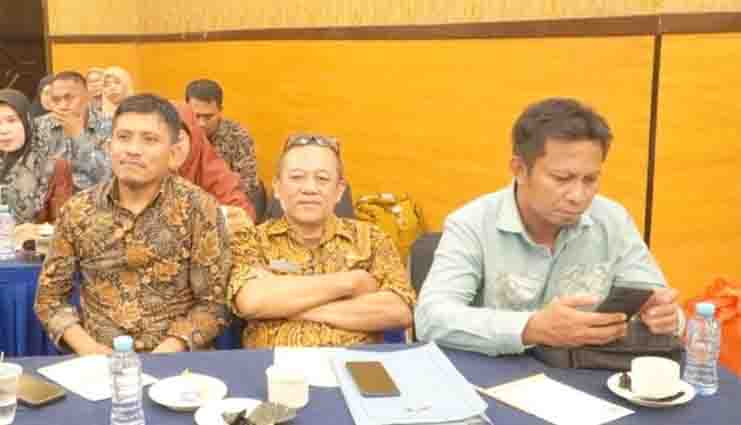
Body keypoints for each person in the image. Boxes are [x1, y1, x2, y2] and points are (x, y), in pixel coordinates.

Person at [415, 98, 682, 356]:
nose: (578, 196)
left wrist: (667, 317)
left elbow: (660, 303)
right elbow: (430, 319)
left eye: (590, 179)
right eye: (562, 178)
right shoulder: (472, 223)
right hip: (497, 374)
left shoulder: (613, 220)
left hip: (586, 374)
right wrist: (531, 329)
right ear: (519, 170)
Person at [34, 94, 231, 354]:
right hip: (98, 360)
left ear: (173, 154)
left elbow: (214, 304)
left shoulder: (200, 208)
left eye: (149, 140)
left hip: (177, 361)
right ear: (109, 147)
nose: (133, 150)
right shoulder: (78, 209)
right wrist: (89, 349)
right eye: (124, 137)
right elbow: (49, 299)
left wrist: (170, 349)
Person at [228, 133, 415, 348]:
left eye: (322, 179)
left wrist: (283, 305)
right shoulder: (252, 239)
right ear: (277, 187)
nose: (309, 188)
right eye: (297, 177)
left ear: (339, 190)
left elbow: (399, 311)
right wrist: (351, 282)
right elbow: (251, 301)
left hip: (355, 360)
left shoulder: (372, 239)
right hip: (275, 362)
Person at [172, 102, 256, 220]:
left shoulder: (212, 169)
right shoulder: (148, 170)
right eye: (157, 140)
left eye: (178, 139)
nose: (171, 147)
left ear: (193, 139)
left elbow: (242, 215)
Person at [0, 89, 73, 224]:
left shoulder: (53, 167)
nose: (3, 130)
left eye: (11, 120)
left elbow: (62, 224)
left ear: (27, 121)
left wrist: (36, 230)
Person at [33, 71, 111, 192]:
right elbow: (35, 174)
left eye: (69, 98)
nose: (62, 105)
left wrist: (78, 136)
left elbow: (107, 176)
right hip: (53, 197)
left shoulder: (109, 125)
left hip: (95, 198)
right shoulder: (39, 126)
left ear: (87, 96)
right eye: (56, 100)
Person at [185, 79, 259, 202]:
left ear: (220, 111)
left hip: (226, 203)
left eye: (208, 117)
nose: (202, 123)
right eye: (196, 116)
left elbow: (248, 183)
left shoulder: (238, 136)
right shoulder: (178, 135)